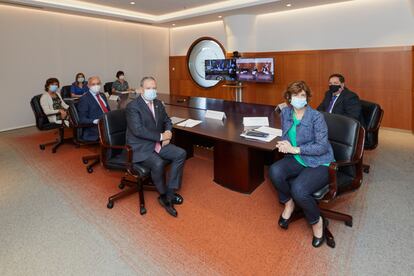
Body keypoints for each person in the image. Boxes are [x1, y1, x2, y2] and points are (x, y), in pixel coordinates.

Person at [269, 81, 335, 248]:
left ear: (307, 98)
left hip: (320, 161)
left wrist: (295, 149)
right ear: (289, 98)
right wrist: (283, 144)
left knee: (299, 189)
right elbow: (286, 134)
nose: (299, 98)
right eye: (295, 95)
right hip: (297, 157)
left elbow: (321, 147)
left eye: (302, 95)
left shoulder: (316, 117)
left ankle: (317, 221)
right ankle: (288, 202)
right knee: (275, 171)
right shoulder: (286, 112)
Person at [126, 76, 186, 217]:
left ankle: (169, 193)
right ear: (141, 90)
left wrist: (168, 132)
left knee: (181, 153)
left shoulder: (158, 103)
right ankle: (163, 195)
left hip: (157, 143)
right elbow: (138, 130)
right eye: (148, 88)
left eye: (154, 88)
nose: (152, 91)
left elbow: (167, 120)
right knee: (158, 163)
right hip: (140, 146)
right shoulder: (132, 107)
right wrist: (161, 137)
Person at [77, 76, 110, 141]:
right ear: (88, 86)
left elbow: (108, 111)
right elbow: (82, 119)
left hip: (108, 123)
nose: (96, 86)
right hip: (95, 128)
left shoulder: (102, 95)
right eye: (93, 84)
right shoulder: (84, 99)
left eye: (98, 84)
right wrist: (96, 121)